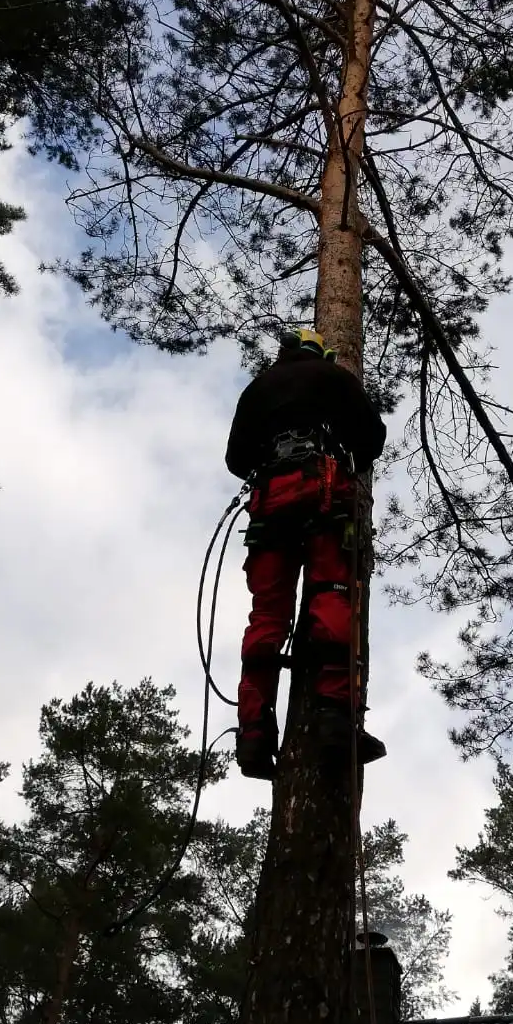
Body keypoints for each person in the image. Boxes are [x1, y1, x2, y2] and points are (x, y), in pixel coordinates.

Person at [225, 327, 387, 780]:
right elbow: (370, 441)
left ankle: (253, 734)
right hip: (324, 488)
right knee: (332, 591)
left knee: (267, 617)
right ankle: (336, 719)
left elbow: (237, 460)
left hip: (270, 501)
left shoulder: (256, 389)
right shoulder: (333, 378)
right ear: (321, 353)